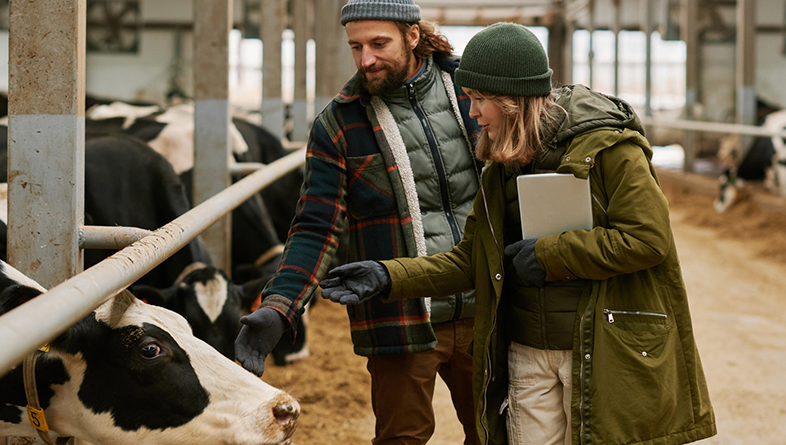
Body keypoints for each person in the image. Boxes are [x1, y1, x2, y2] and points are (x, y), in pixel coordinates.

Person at [319, 22, 717, 445]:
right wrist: (388, 276)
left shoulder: (610, 148)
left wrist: (549, 255)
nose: (471, 113)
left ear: (511, 100)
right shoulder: (503, 164)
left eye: (479, 100)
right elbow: (471, 258)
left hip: (599, 346)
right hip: (527, 349)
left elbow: (647, 239)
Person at [233, 0, 483, 443]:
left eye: (379, 43)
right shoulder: (339, 123)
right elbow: (316, 227)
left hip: (487, 305)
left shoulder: (470, 90)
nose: (366, 59)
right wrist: (280, 305)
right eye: (356, 46)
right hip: (401, 315)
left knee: (496, 432)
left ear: (412, 35)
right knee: (401, 437)